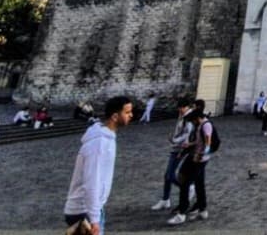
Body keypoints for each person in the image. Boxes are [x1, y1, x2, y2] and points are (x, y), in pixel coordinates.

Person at [64, 95, 134, 235]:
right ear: (115, 117)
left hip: (89, 209)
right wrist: (95, 218)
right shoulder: (99, 143)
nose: (131, 115)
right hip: (83, 211)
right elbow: (92, 181)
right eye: (127, 112)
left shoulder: (106, 135)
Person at [168, 110, 214, 225]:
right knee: (199, 183)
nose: (192, 123)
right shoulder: (201, 125)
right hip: (197, 157)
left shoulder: (206, 126)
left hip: (198, 159)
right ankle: (202, 209)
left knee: (185, 182)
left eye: (192, 121)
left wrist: (201, 154)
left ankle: (182, 213)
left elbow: (208, 144)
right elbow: (199, 141)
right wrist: (190, 144)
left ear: (197, 118)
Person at [151, 97, 194, 211]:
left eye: (182, 108)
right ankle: (165, 199)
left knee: (169, 175)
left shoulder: (188, 118)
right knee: (167, 175)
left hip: (181, 148)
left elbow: (187, 134)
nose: (180, 110)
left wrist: (175, 140)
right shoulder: (182, 115)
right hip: (176, 147)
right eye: (179, 108)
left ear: (187, 107)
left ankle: (187, 187)